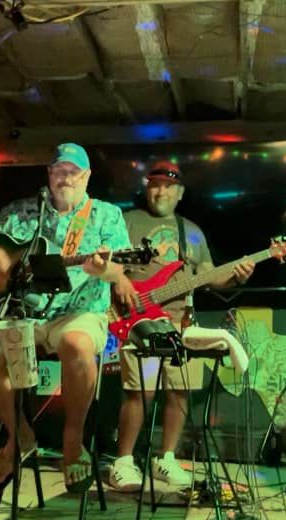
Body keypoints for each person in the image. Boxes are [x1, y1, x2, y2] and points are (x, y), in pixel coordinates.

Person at [0, 143, 132, 493]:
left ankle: (73, 440)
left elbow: (118, 271)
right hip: (23, 314)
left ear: (86, 177)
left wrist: (101, 269)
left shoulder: (106, 215)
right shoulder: (25, 210)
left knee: (76, 343)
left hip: (79, 312)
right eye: (59, 171)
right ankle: (21, 435)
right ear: (49, 175)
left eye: (73, 172)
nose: (65, 178)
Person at [108, 160, 255, 491]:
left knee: (179, 390)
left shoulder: (191, 231)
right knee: (140, 391)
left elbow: (209, 275)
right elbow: (106, 262)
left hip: (180, 322)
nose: (161, 192)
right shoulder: (126, 221)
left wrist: (236, 275)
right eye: (155, 185)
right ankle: (123, 462)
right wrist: (119, 280)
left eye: (168, 187)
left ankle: (167, 459)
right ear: (147, 189)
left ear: (181, 193)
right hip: (139, 321)